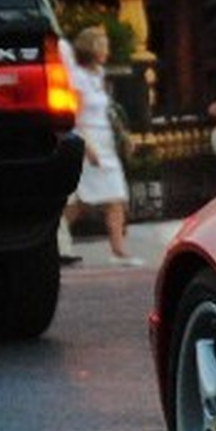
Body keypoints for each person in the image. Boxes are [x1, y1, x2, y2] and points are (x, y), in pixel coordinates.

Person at [63, 25, 138, 267]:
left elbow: (108, 112)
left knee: (115, 198)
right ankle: (53, 237)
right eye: (102, 45)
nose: (106, 50)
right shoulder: (79, 78)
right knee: (81, 202)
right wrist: (87, 148)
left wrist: (123, 136)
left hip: (106, 142)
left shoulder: (99, 75)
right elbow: (74, 117)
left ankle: (118, 249)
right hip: (90, 142)